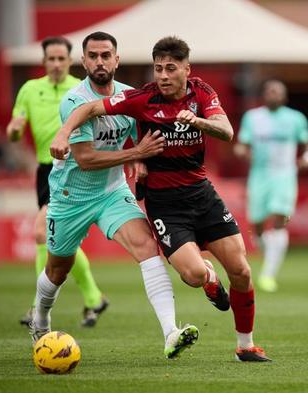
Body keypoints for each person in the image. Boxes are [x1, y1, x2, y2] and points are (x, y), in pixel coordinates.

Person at [51, 36, 272, 362]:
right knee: (194, 275)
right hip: (165, 204)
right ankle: (208, 277)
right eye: (158, 69)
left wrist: (197, 121)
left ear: (186, 69)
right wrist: (63, 132)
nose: (164, 75)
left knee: (241, 271)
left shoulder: (202, 93)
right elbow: (90, 108)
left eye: (171, 68)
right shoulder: (142, 99)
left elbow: (226, 131)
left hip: (202, 194)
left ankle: (246, 346)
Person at [29, 32, 199, 359]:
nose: (100, 61)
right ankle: (40, 317)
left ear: (117, 60)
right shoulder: (74, 101)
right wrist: (134, 153)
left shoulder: (129, 97)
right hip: (70, 197)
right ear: (84, 61)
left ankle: (170, 332)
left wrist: (140, 158)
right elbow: (86, 159)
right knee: (57, 270)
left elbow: (139, 138)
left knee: (148, 248)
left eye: (106, 55)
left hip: (111, 192)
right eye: (93, 56)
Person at [6, 36, 108, 328]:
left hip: (71, 168)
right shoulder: (29, 89)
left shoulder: (80, 90)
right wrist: (13, 130)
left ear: (70, 61)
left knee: (42, 232)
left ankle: (39, 306)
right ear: (43, 62)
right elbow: (16, 129)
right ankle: (93, 298)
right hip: (44, 169)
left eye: (61, 59)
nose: (56, 64)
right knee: (61, 240)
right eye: (51, 59)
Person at [234, 80, 308, 293]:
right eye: (270, 91)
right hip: (259, 176)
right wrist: (241, 151)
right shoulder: (252, 118)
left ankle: (268, 275)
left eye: (278, 92)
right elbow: (242, 144)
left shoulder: (295, 118)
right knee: (258, 224)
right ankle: (268, 254)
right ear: (264, 95)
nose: (274, 95)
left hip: (285, 175)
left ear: (284, 96)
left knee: (280, 218)